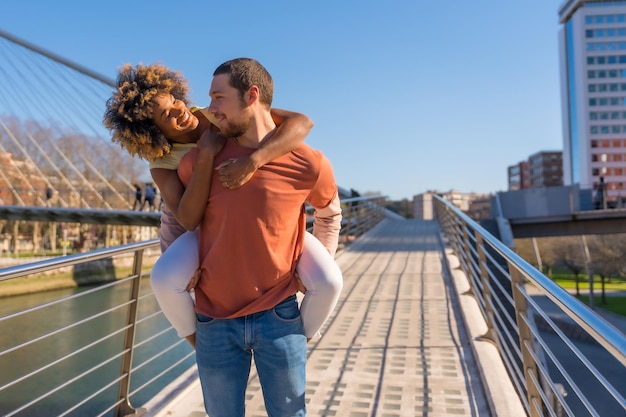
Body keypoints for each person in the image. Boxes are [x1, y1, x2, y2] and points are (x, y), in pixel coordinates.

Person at [103, 63, 342, 350]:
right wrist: (206, 154)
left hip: (254, 216)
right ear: (153, 132)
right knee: (165, 280)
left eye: (176, 101)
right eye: (167, 114)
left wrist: (255, 161)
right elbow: (185, 219)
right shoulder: (163, 163)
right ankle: (200, 345)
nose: (181, 110)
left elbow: (301, 122)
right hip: (194, 225)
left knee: (329, 281)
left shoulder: (217, 114)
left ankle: (298, 344)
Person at [178, 57, 341, 417]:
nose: (210, 109)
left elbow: (330, 214)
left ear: (251, 95)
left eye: (219, 98)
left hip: (280, 317)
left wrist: (317, 263)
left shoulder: (307, 162)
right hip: (213, 320)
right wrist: (177, 262)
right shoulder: (201, 158)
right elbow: (175, 217)